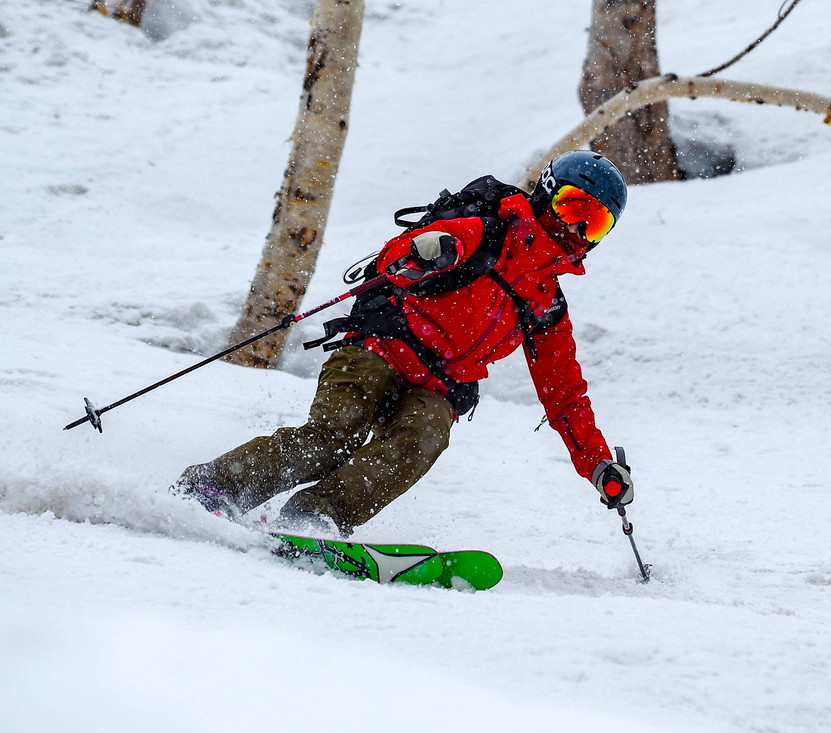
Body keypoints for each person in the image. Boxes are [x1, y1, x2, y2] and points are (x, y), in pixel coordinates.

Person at [175, 150, 635, 537]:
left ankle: (315, 517)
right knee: (335, 433)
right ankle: (215, 487)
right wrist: (431, 249)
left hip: (439, 387)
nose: (577, 230)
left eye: (594, 223)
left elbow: (565, 396)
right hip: (382, 345)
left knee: (424, 439)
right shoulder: (489, 231)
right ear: (547, 193)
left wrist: (598, 465)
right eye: (574, 207)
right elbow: (399, 253)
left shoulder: (547, 305)